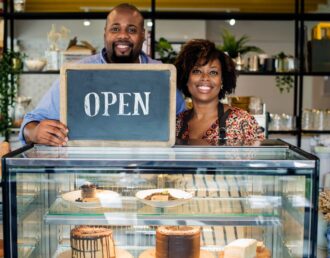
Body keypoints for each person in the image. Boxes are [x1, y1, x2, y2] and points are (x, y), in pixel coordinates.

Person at [19, 3, 185, 146]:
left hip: (147, 173)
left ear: (143, 36)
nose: (123, 35)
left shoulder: (162, 75)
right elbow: (31, 122)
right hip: (89, 176)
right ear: (105, 33)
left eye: (132, 30)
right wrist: (34, 132)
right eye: (115, 29)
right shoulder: (77, 74)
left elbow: (183, 122)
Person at [174, 39, 264, 145]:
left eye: (213, 72)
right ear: (186, 79)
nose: (205, 78)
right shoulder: (177, 123)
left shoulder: (242, 121)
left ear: (222, 80)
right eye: (197, 71)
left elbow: (260, 160)